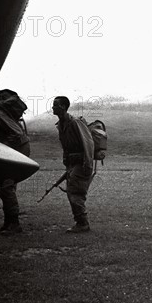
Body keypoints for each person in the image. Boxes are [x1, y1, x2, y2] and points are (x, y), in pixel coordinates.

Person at [0, 98, 31, 234]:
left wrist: (2, 148)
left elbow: (17, 133)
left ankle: (14, 224)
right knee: (4, 187)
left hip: (18, 149)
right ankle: (8, 223)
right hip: (11, 151)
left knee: (6, 187)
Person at [52, 96, 94, 233]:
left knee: (75, 192)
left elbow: (88, 143)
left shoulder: (75, 122)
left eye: (55, 105)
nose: (53, 107)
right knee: (72, 191)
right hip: (72, 164)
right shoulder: (61, 125)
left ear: (63, 107)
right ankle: (81, 222)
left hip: (81, 163)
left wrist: (87, 165)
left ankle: (82, 223)